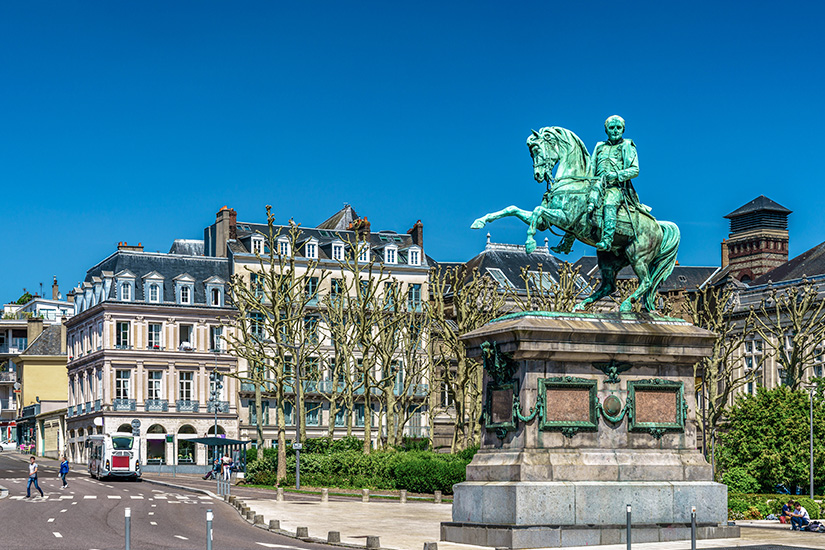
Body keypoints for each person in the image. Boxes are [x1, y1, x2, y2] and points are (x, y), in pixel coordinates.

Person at [588, 115, 648, 251]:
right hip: (596, 184)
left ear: (623, 130)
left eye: (618, 128)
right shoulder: (599, 146)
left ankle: (607, 239)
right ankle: (568, 239)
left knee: (609, 202)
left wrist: (616, 175)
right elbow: (591, 167)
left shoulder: (627, 145)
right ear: (606, 130)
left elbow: (635, 170)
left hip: (616, 187)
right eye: (612, 128)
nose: (615, 131)